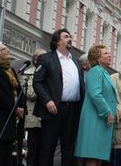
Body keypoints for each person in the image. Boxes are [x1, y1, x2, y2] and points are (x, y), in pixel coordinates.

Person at [33, 29, 85, 166]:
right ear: (57, 41)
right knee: (48, 147)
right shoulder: (46, 58)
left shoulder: (76, 61)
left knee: (69, 149)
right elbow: (37, 82)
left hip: (73, 109)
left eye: (70, 36)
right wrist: (47, 100)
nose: (70, 39)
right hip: (54, 109)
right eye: (66, 36)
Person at [0, 41, 26, 165]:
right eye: (3, 49)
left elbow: (19, 91)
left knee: (8, 157)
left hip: (13, 120)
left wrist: (22, 107)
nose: (8, 50)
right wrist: (15, 109)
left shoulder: (10, 69)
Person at [74, 44, 117, 165]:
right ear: (97, 58)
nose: (109, 55)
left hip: (101, 119)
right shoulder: (95, 71)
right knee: (92, 155)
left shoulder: (103, 72)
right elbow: (95, 94)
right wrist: (107, 112)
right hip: (95, 118)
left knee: (98, 155)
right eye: (105, 53)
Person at [22, 48, 46, 166]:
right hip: (34, 119)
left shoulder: (49, 73)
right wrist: (43, 86)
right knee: (33, 151)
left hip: (47, 118)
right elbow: (31, 93)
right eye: (43, 57)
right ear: (36, 59)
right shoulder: (29, 73)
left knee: (45, 152)